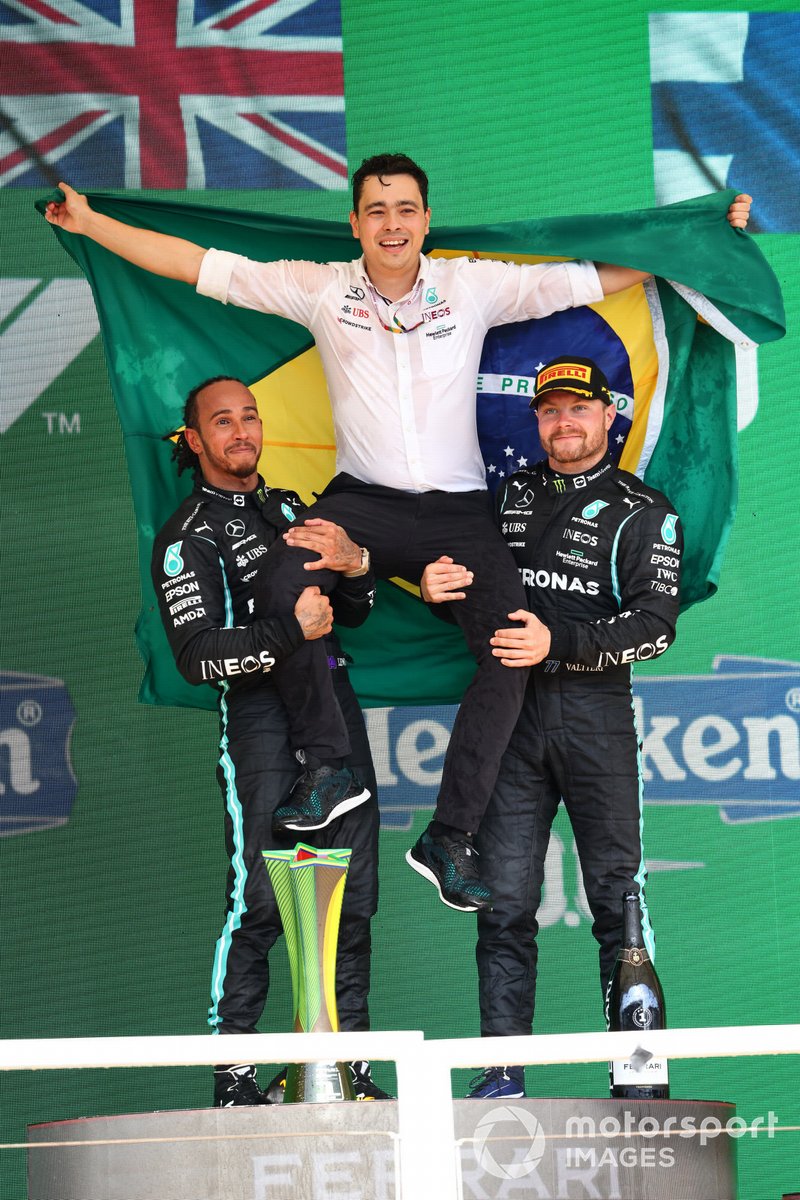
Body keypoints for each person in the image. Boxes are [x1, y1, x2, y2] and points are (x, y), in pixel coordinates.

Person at [44, 161, 749, 913]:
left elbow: (592, 278)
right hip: (363, 501)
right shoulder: (319, 287)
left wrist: (699, 238)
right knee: (285, 581)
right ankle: (330, 768)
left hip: (458, 508)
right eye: (375, 210)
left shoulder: (471, 284)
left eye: (405, 209)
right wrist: (92, 225)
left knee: (512, 645)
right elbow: (200, 266)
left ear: (424, 218)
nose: (391, 223)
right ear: (355, 224)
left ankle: (449, 837)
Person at [421, 356, 683, 1099]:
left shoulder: (645, 509)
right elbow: (473, 591)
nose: (563, 423)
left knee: (617, 900)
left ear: (608, 417)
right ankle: (502, 1076)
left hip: (595, 719)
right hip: (511, 722)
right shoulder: (507, 497)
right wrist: (438, 591)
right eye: (550, 411)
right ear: (536, 422)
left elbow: (656, 627)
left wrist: (558, 645)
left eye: (578, 409)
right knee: (503, 906)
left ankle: (639, 1080)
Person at [151, 376, 387, 1105]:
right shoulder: (187, 534)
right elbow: (196, 657)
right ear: (194, 441)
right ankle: (235, 1077)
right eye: (222, 421)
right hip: (259, 723)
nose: (241, 430)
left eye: (249, 416)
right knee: (257, 900)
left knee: (353, 897)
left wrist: (357, 568)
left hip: (334, 709)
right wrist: (292, 631)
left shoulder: (291, 507)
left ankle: (352, 1069)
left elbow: (354, 611)